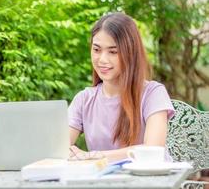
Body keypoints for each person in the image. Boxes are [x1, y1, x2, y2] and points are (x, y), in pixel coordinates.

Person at [68, 12, 175, 161]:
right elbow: (58, 147)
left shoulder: (153, 93)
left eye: (113, 52)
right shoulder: (84, 99)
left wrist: (96, 156)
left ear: (130, 53)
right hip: (104, 182)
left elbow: (153, 150)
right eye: (97, 50)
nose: (102, 59)